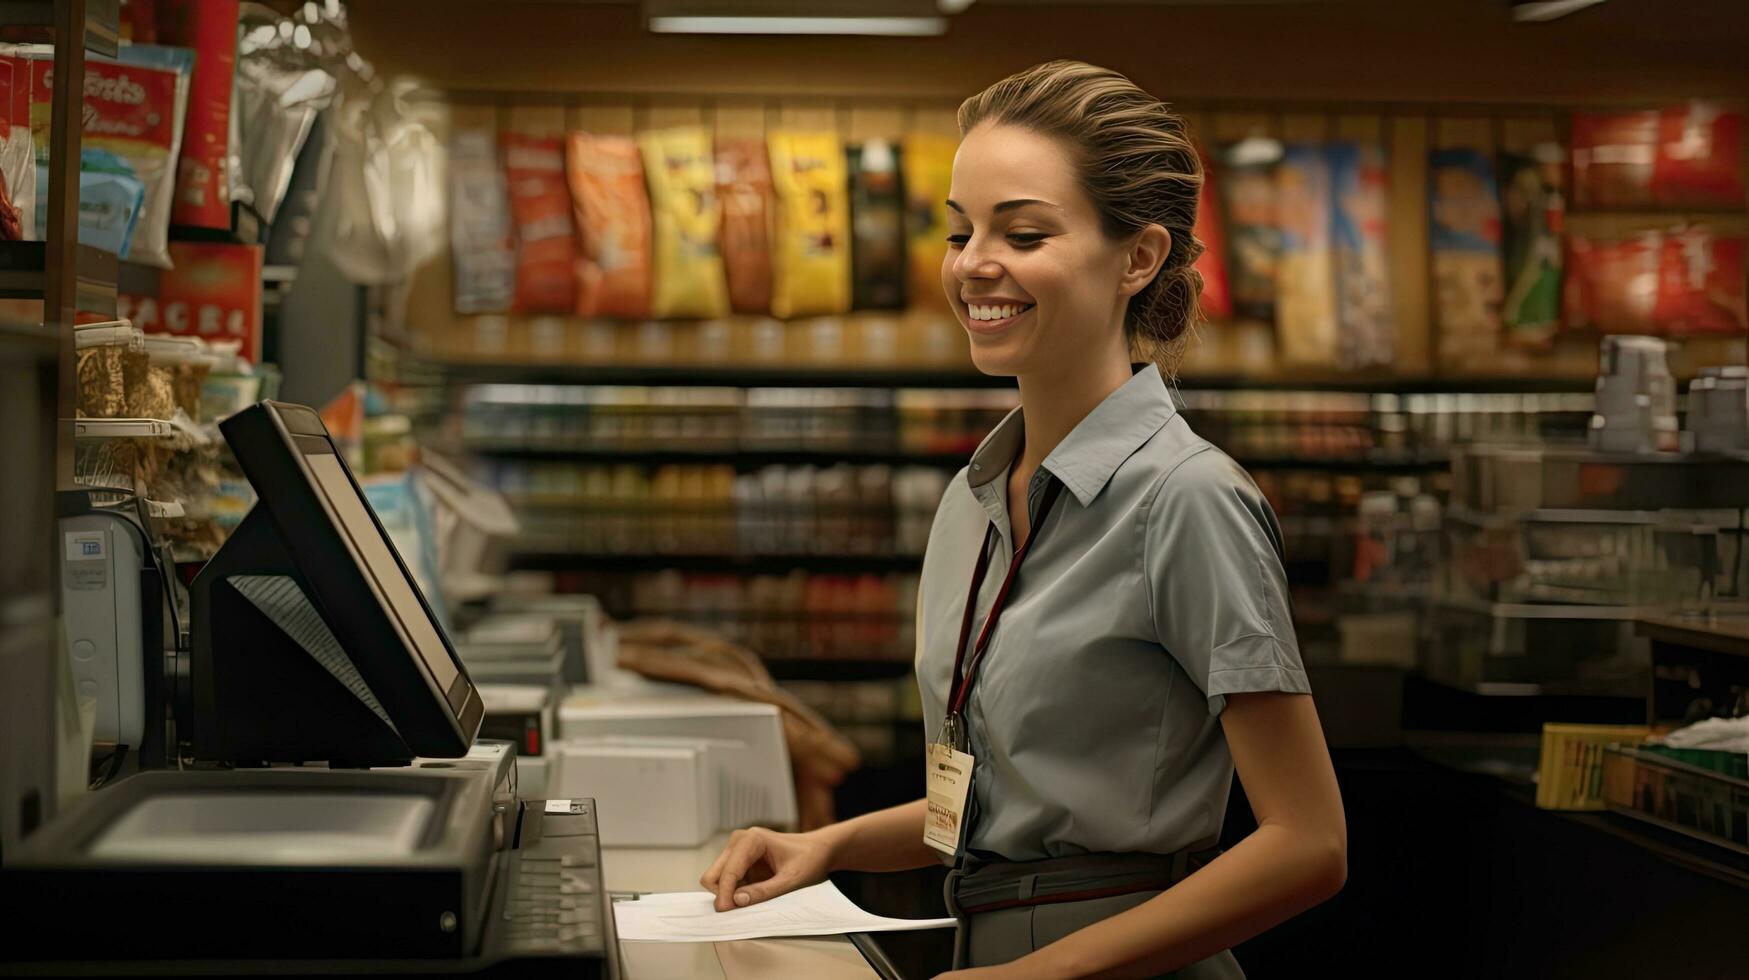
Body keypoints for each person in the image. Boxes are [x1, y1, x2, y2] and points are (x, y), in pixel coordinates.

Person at [701, 60, 1347, 978]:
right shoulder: (975, 496)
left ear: (1138, 258)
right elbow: (990, 801)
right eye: (959, 231)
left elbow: (1308, 843)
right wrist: (830, 847)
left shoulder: (1187, 499)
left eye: (1024, 233)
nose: (972, 265)